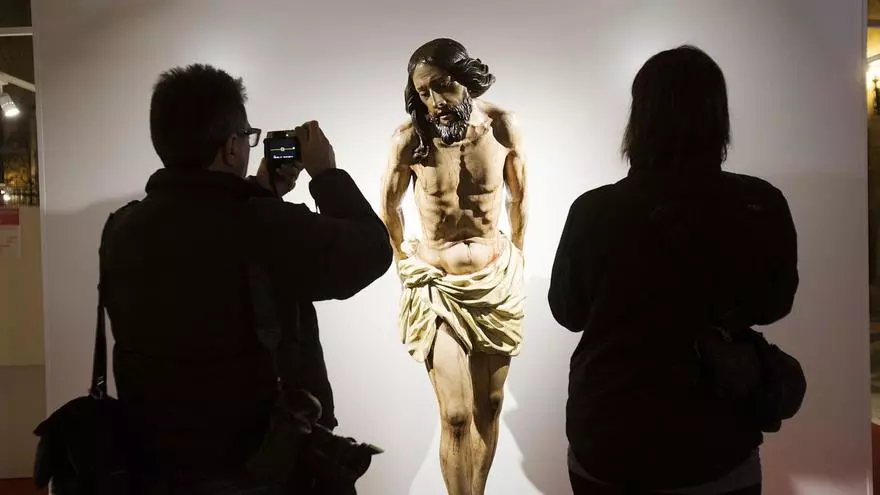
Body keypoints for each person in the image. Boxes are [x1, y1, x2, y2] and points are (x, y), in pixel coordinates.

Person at [99, 64, 393, 493]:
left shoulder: (122, 227)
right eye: (247, 137)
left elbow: (218, 263)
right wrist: (326, 174)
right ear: (231, 148)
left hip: (158, 466)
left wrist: (261, 193)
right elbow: (371, 251)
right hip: (261, 469)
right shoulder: (261, 226)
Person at [549, 45, 798, 495]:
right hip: (714, 437)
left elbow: (568, 312)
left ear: (639, 117)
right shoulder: (759, 204)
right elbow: (774, 305)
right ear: (718, 116)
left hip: (610, 433)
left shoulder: (594, 210)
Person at [380, 38, 528, 495]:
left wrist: (517, 256)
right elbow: (389, 207)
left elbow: (519, 197)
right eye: (422, 92)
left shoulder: (501, 126)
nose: (433, 102)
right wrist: (404, 262)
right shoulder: (410, 140)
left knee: (491, 404)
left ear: (464, 78)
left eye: (441, 86)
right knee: (457, 414)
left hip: (494, 282)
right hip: (439, 288)